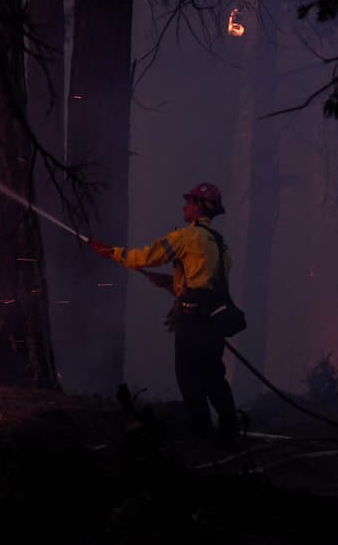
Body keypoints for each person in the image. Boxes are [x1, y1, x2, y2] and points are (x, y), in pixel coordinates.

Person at [87, 182, 240, 451]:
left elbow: (147, 256)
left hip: (192, 323)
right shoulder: (221, 245)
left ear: (198, 207)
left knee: (189, 379)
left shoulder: (187, 237)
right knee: (214, 377)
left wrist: (111, 253)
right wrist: (170, 283)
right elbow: (205, 283)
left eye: (189, 202)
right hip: (213, 323)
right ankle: (229, 434)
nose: (185, 206)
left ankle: (202, 439)